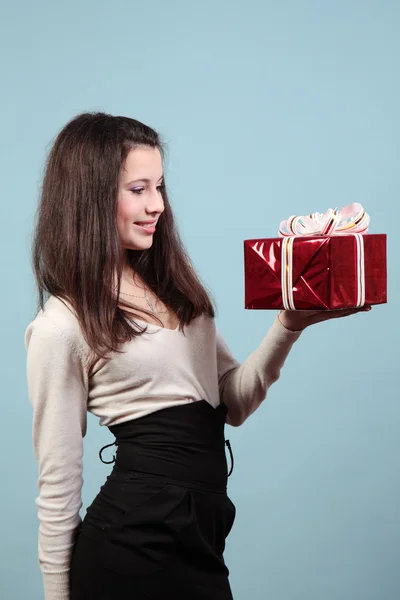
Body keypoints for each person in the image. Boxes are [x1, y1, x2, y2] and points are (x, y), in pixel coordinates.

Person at [24, 112, 371, 600]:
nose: (158, 205)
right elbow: (57, 489)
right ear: (90, 197)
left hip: (201, 538)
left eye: (160, 187)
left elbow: (233, 402)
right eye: (138, 189)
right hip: (130, 548)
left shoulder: (176, 292)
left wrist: (287, 325)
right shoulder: (61, 326)